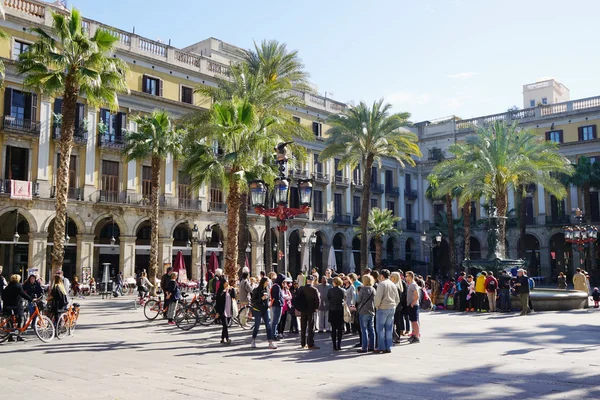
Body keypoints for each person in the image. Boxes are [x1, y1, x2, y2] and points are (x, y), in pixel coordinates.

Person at [374, 269, 400, 353]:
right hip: (392, 307)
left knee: (380, 329)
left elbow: (378, 297)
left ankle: (381, 347)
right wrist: (394, 305)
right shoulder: (393, 284)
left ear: (381, 276)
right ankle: (388, 347)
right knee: (389, 328)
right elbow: (397, 299)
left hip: (383, 308)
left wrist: (377, 306)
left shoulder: (382, 284)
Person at [293, 275, 320, 350]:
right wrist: (316, 308)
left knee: (303, 326)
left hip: (303, 310)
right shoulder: (314, 290)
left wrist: (299, 308)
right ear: (312, 281)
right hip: (311, 310)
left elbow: (296, 299)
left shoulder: (302, 288)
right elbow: (318, 301)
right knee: (311, 327)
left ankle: (303, 343)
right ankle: (310, 343)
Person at [1, 274, 32, 341]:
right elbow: (23, 294)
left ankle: (10, 337)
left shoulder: (8, 286)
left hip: (7, 305)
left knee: (10, 320)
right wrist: (31, 299)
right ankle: (18, 335)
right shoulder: (18, 286)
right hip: (16, 306)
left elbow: (3, 296)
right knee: (21, 318)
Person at [250, 277, 277, 349]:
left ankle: (270, 342)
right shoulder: (256, 290)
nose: (268, 283)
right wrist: (261, 299)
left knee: (268, 326)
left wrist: (269, 303)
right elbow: (253, 301)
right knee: (257, 326)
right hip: (258, 310)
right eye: (267, 282)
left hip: (265, 310)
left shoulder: (267, 290)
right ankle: (253, 340)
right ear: (264, 282)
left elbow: (267, 300)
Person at [356, 274, 376, 353]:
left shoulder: (363, 289)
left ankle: (364, 347)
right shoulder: (373, 289)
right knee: (371, 329)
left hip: (363, 311)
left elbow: (358, 300)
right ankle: (372, 346)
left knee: (364, 330)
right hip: (371, 310)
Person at [215, 279, 236, 344]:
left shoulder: (229, 290)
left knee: (225, 326)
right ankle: (227, 338)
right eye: (226, 282)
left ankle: (222, 338)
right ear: (223, 283)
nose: (227, 284)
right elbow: (217, 302)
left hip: (228, 310)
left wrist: (233, 289)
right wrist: (217, 312)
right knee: (225, 325)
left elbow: (233, 297)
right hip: (222, 310)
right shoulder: (220, 291)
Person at [327, 277, 345, 351]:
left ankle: (334, 345)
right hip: (340, 310)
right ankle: (339, 345)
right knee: (340, 328)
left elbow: (328, 299)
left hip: (332, 310)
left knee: (333, 328)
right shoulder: (342, 290)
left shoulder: (330, 290)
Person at [405, 271, 420, 344]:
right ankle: (414, 335)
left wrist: (412, 304)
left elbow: (416, 296)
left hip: (413, 305)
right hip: (411, 305)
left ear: (410, 276)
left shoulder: (413, 285)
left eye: (407, 276)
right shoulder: (410, 284)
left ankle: (416, 336)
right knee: (412, 321)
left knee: (414, 321)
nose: (405, 277)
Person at [389, 272, 404, 343]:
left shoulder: (395, 286)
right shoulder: (399, 286)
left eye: (391, 276)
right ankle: (397, 337)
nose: (390, 277)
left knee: (395, 322)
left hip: (395, 306)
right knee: (397, 321)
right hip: (398, 306)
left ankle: (396, 337)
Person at [270, 274, 285, 341]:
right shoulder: (277, 286)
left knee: (275, 321)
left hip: (276, 305)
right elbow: (276, 297)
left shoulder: (276, 286)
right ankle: (274, 335)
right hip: (277, 306)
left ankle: (274, 334)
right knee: (275, 321)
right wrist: (280, 303)